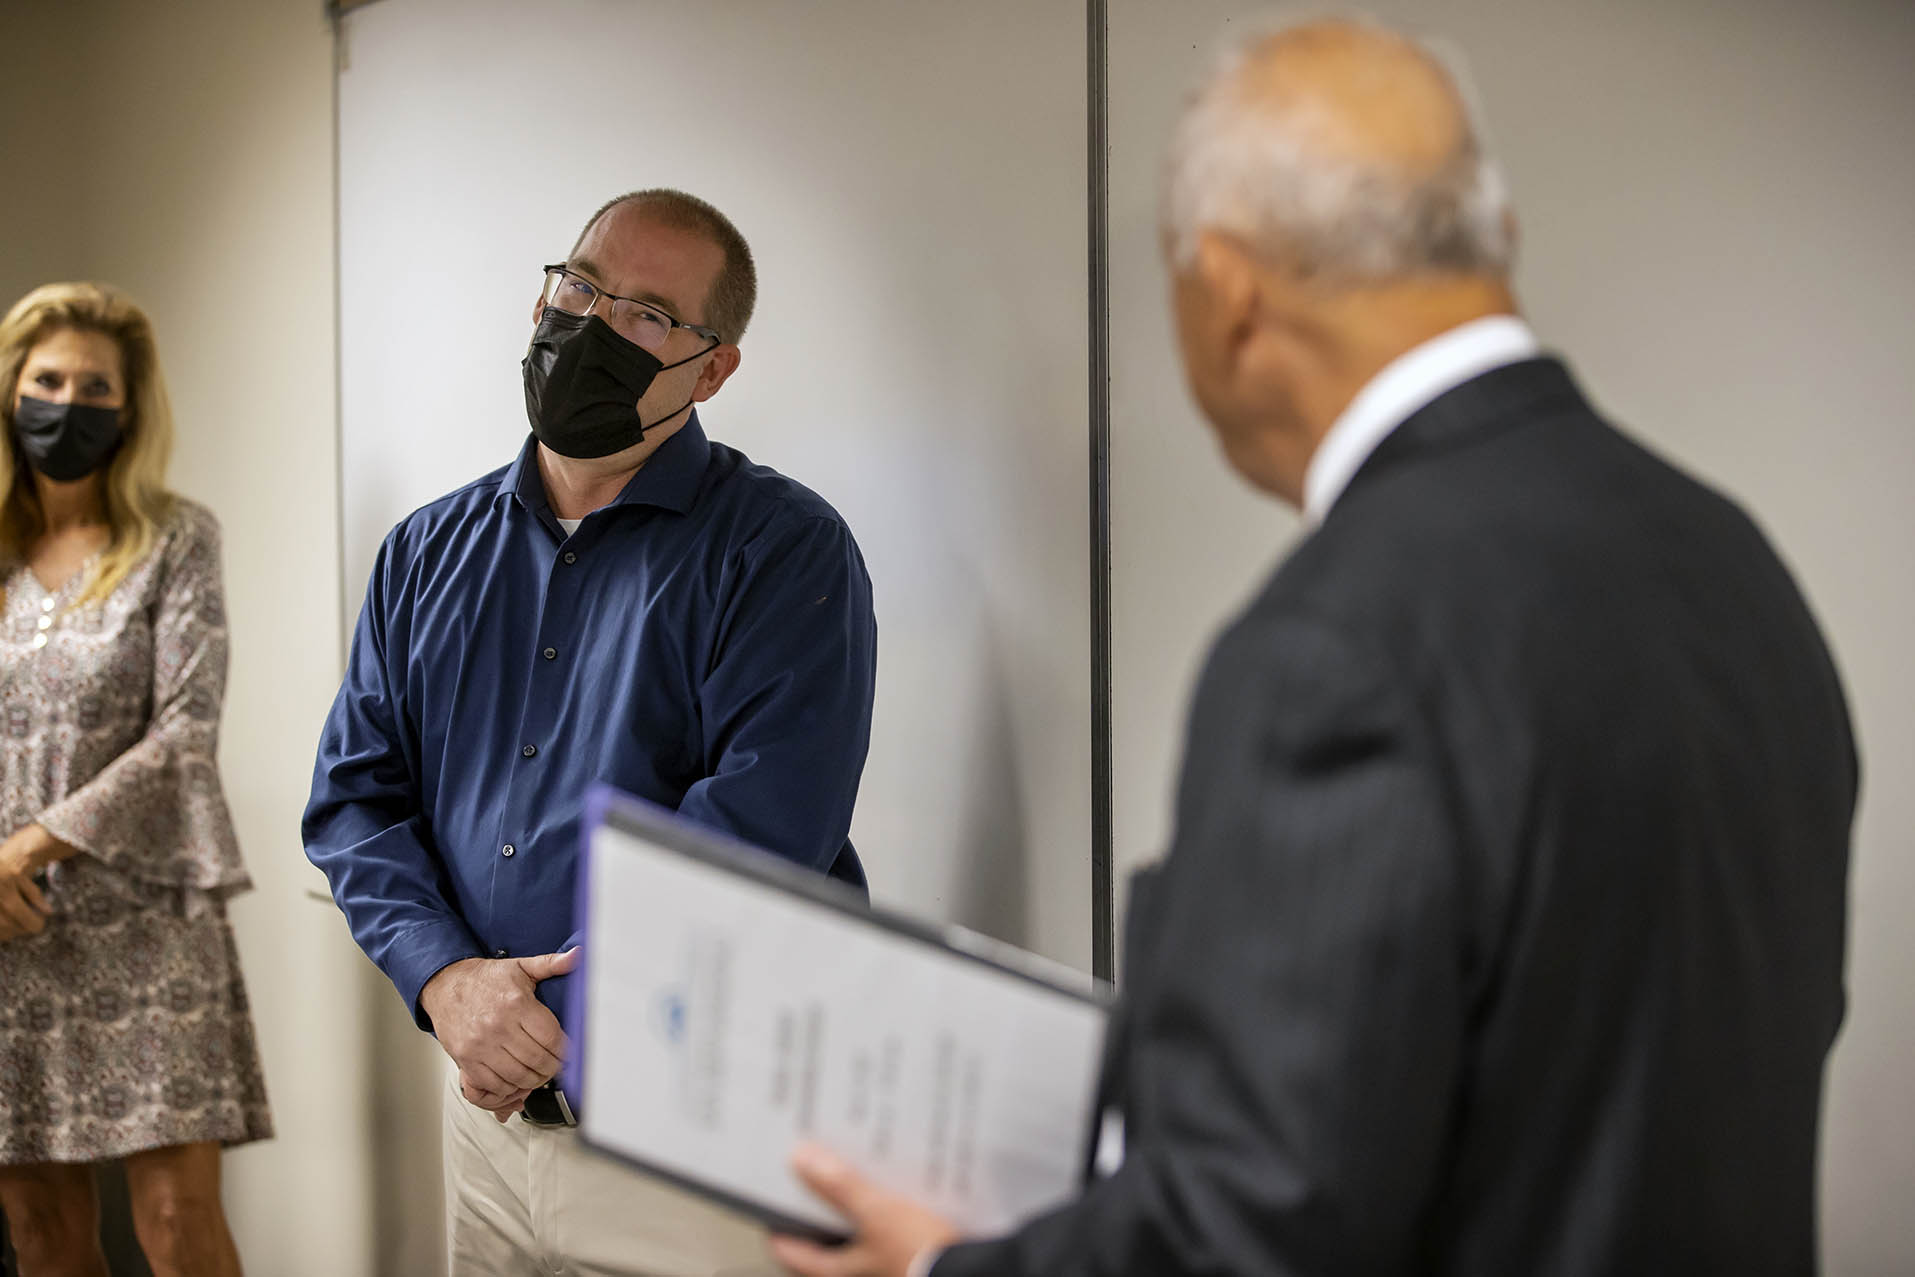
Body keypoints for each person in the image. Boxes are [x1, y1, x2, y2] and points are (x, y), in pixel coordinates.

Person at [771, 16, 1855, 1277]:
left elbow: (1249, 1230)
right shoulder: (1733, 567)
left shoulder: (1339, 642)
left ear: (1226, 292)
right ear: (1491, 237)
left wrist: (938, 1268)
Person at [304, 188, 878, 1275]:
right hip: (490, 1130)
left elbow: (755, 836)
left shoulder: (783, 550)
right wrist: (448, 984)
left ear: (712, 369)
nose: (594, 327)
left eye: (648, 315)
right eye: (580, 287)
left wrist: (528, 1024)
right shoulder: (425, 552)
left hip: (690, 1137)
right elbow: (357, 802)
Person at [0, 282, 271, 1277]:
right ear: (11, 390)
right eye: (49, 379)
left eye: (96, 385)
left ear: (129, 407)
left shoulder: (175, 540)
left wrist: (25, 846)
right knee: (41, 1228)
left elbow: (185, 733)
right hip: (7, 931)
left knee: (175, 1220)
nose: (70, 402)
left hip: (149, 919)